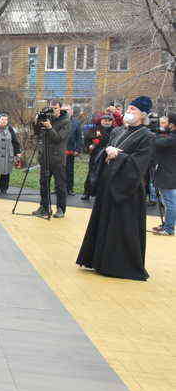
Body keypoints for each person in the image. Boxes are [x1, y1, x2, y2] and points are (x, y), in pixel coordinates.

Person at [77, 97, 156, 280]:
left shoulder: (147, 136)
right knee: (104, 223)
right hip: (108, 186)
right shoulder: (118, 131)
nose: (129, 112)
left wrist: (117, 156)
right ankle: (98, 260)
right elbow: (105, 152)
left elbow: (139, 165)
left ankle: (118, 265)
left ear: (143, 115)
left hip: (126, 191)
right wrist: (107, 152)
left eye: (134, 110)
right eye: (129, 108)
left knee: (121, 228)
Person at [32, 100, 70, 218]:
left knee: (60, 185)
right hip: (45, 157)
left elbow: (58, 138)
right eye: (51, 108)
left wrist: (49, 127)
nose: (52, 110)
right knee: (43, 183)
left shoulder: (66, 121)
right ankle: (44, 207)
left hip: (58, 158)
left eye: (55, 108)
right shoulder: (47, 118)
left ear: (60, 109)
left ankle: (60, 209)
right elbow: (37, 133)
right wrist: (36, 121)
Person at [151, 112, 176, 236]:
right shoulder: (171, 137)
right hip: (168, 173)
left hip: (168, 174)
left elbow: (157, 142)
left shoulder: (172, 139)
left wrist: (152, 132)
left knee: (170, 202)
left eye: (168, 123)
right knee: (168, 201)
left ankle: (169, 228)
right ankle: (167, 224)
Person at [0, 113, 22, 195]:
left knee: (6, 173)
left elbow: (15, 142)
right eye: (2, 119)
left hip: (7, 155)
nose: (4, 121)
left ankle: (4, 189)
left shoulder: (10, 129)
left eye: (6, 120)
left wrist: (18, 152)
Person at [81, 113, 115, 200]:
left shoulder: (115, 130)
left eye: (109, 121)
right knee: (92, 173)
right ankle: (87, 192)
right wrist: (89, 146)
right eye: (105, 120)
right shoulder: (95, 129)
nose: (107, 122)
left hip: (108, 155)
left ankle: (102, 194)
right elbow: (87, 140)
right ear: (101, 120)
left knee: (106, 175)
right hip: (96, 154)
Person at [65, 107, 83, 195]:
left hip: (70, 150)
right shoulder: (58, 121)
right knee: (59, 171)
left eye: (68, 110)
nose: (66, 112)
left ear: (72, 112)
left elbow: (79, 138)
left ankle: (69, 189)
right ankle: (58, 188)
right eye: (64, 110)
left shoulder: (76, 123)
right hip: (59, 151)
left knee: (69, 170)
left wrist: (77, 149)